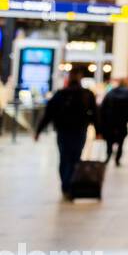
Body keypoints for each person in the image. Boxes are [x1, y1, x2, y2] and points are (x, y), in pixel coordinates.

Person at [34, 70, 100, 200]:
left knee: (64, 157)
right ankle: (70, 184)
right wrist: (98, 131)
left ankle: (66, 185)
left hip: (63, 131)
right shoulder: (87, 94)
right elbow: (95, 114)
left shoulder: (60, 94)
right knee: (75, 157)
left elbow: (48, 114)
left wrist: (38, 131)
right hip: (80, 130)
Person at [98, 78, 128, 166]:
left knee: (109, 139)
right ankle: (117, 159)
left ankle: (108, 155)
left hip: (110, 119)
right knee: (121, 140)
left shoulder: (111, 92)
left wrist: (102, 119)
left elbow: (103, 106)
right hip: (123, 120)